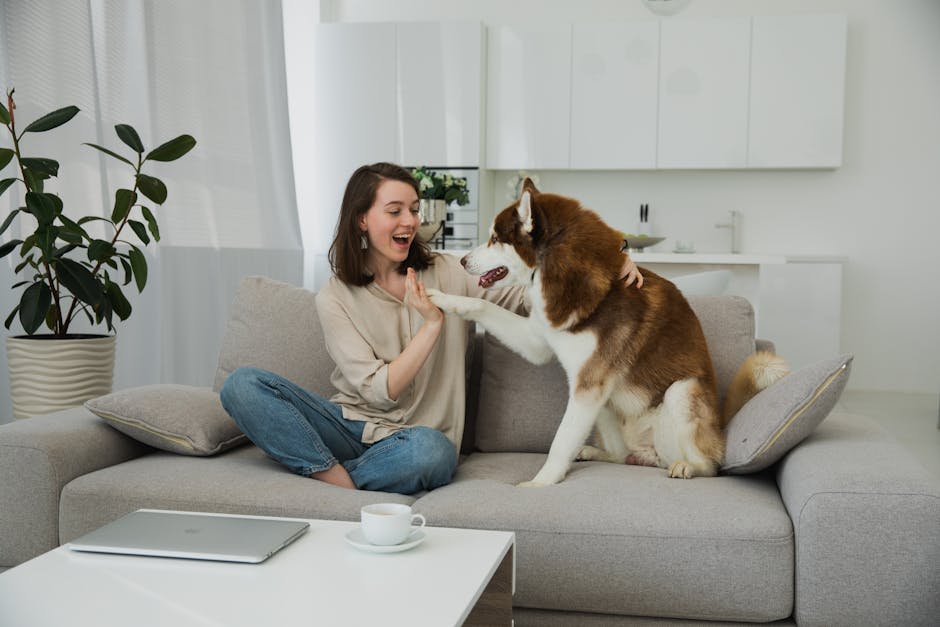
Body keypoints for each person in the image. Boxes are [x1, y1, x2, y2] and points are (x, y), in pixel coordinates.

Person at [220, 162, 642, 495]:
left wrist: (610, 257)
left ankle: (330, 479)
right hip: (347, 426)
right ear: (362, 220)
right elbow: (379, 392)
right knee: (242, 385)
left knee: (432, 455)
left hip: (418, 443)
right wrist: (432, 325)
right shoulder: (333, 297)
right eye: (395, 211)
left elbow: (530, 290)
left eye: (414, 210)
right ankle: (339, 477)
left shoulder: (447, 271)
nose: (410, 221)